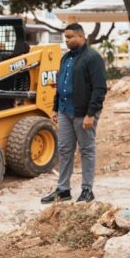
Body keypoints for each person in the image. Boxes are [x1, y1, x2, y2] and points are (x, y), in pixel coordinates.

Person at [41, 23, 107, 204]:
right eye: (65, 37)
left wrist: (91, 114)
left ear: (81, 36)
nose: (66, 40)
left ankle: (87, 189)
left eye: (70, 37)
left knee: (86, 150)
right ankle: (63, 190)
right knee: (64, 150)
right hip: (64, 110)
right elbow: (60, 85)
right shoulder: (66, 58)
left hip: (83, 113)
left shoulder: (92, 58)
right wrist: (55, 108)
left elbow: (99, 88)